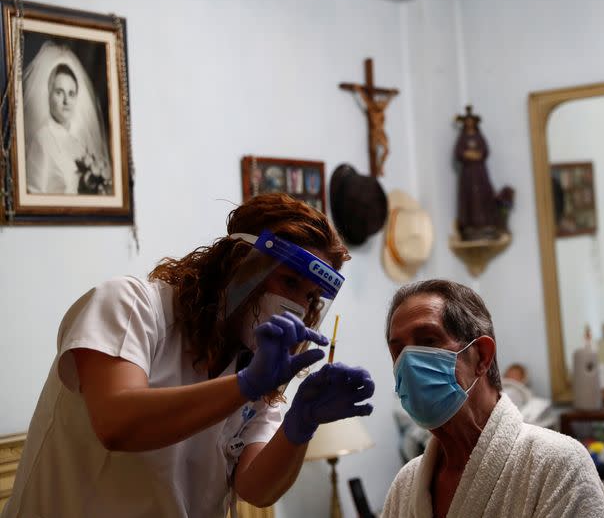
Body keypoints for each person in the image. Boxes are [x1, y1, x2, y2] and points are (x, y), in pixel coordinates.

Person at [2, 193, 375, 518]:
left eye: (310, 297)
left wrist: (300, 424)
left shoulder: (259, 369)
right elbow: (117, 423)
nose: (295, 306)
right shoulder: (132, 307)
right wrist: (244, 386)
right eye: (289, 282)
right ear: (239, 264)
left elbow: (256, 489)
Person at [382, 280, 604, 517]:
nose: (409, 364)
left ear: (482, 356)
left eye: (429, 341)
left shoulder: (556, 466)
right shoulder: (406, 485)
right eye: (398, 351)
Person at [23, 41, 111, 195]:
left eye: (71, 94)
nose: (66, 101)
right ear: (48, 96)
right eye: (59, 92)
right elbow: (34, 194)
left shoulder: (80, 140)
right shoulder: (42, 139)